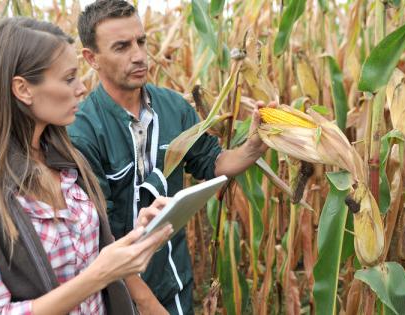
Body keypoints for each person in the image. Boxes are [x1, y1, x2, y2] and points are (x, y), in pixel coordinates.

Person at [0, 17, 173, 315]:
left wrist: (139, 236)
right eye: (68, 79)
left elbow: (94, 249)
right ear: (23, 89)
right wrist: (99, 275)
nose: (81, 89)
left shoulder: (67, 161)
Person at [68, 1, 272, 314]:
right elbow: (98, 235)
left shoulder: (173, 108)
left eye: (141, 41)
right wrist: (146, 303)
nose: (137, 55)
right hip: (115, 293)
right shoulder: (83, 131)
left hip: (172, 277)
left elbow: (213, 162)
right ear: (91, 58)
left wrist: (254, 146)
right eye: (121, 47)